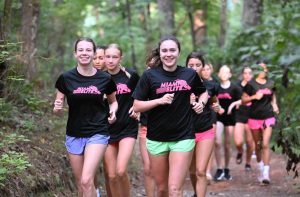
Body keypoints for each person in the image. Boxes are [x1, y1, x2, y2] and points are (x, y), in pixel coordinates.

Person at [132, 36, 207, 197]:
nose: (168, 54)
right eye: (164, 50)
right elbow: (137, 105)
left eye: (172, 50)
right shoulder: (149, 76)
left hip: (183, 137)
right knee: (162, 190)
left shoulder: (189, 74)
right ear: (159, 53)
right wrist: (158, 101)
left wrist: (201, 103)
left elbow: (203, 92)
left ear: (179, 52)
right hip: (156, 138)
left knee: (174, 189)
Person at [53, 37, 118, 197]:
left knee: (86, 180)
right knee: (81, 185)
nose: (84, 53)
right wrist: (57, 108)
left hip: (98, 132)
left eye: (88, 50)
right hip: (74, 133)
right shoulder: (65, 78)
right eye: (80, 50)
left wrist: (113, 111)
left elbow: (113, 102)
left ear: (94, 53)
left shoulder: (105, 79)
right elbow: (58, 106)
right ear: (75, 53)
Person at [103, 43, 140, 197]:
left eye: (114, 57)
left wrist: (137, 110)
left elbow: (141, 96)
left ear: (120, 58)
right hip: (106, 129)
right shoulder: (100, 78)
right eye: (107, 57)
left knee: (120, 171)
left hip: (127, 127)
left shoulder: (131, 76)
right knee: (111, 176)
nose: (110, 60)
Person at [186, 52, 222, 197]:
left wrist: (216, 107)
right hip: (186, 133)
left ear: (203, 67)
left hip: (205, 130)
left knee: (201, 171)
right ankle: (197, 193)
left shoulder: (210, 85)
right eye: (191, 65)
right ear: (186, 66)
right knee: (193, 171)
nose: (194, 68)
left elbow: (214, 101)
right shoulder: (180, 85)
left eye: (198, 65)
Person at [242, 61, 279, 185]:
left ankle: (266, 174)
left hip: (268, 117)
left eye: (265, 68)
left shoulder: (271, 83)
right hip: (254, 118)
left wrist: (275, 105)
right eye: (260, 69)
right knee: (257, 146)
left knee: (265, 144)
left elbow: (273, 97)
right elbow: (243, 100)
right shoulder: (250, 84)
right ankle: (260, 166)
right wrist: (253, 97)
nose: (263, 71)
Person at [214, 65, 240, 181]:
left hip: (230, 117)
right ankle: (219, 168)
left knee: (228, 144)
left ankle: (227, 168)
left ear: (230, 75)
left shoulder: (234, 88)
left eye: (226, 72)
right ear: (219, 74)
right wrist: (218, 107)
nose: (224, 74)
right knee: (217, 142)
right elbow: (212, 99)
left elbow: (242, 99)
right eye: (222, 72)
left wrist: (232, 105)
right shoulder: (216, 87)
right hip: (219, 117)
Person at [228, 66, 255, 171]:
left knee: (249, 142)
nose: (247, 75)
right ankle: (240, 151)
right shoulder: (237, 86)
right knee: (238, 141)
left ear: (252, 75)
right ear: (242, 74)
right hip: (239, 115)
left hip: (251, 115)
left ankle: (248, 163)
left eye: (250, 73)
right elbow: (231, 98)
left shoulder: (255, 86)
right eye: (245, 73)